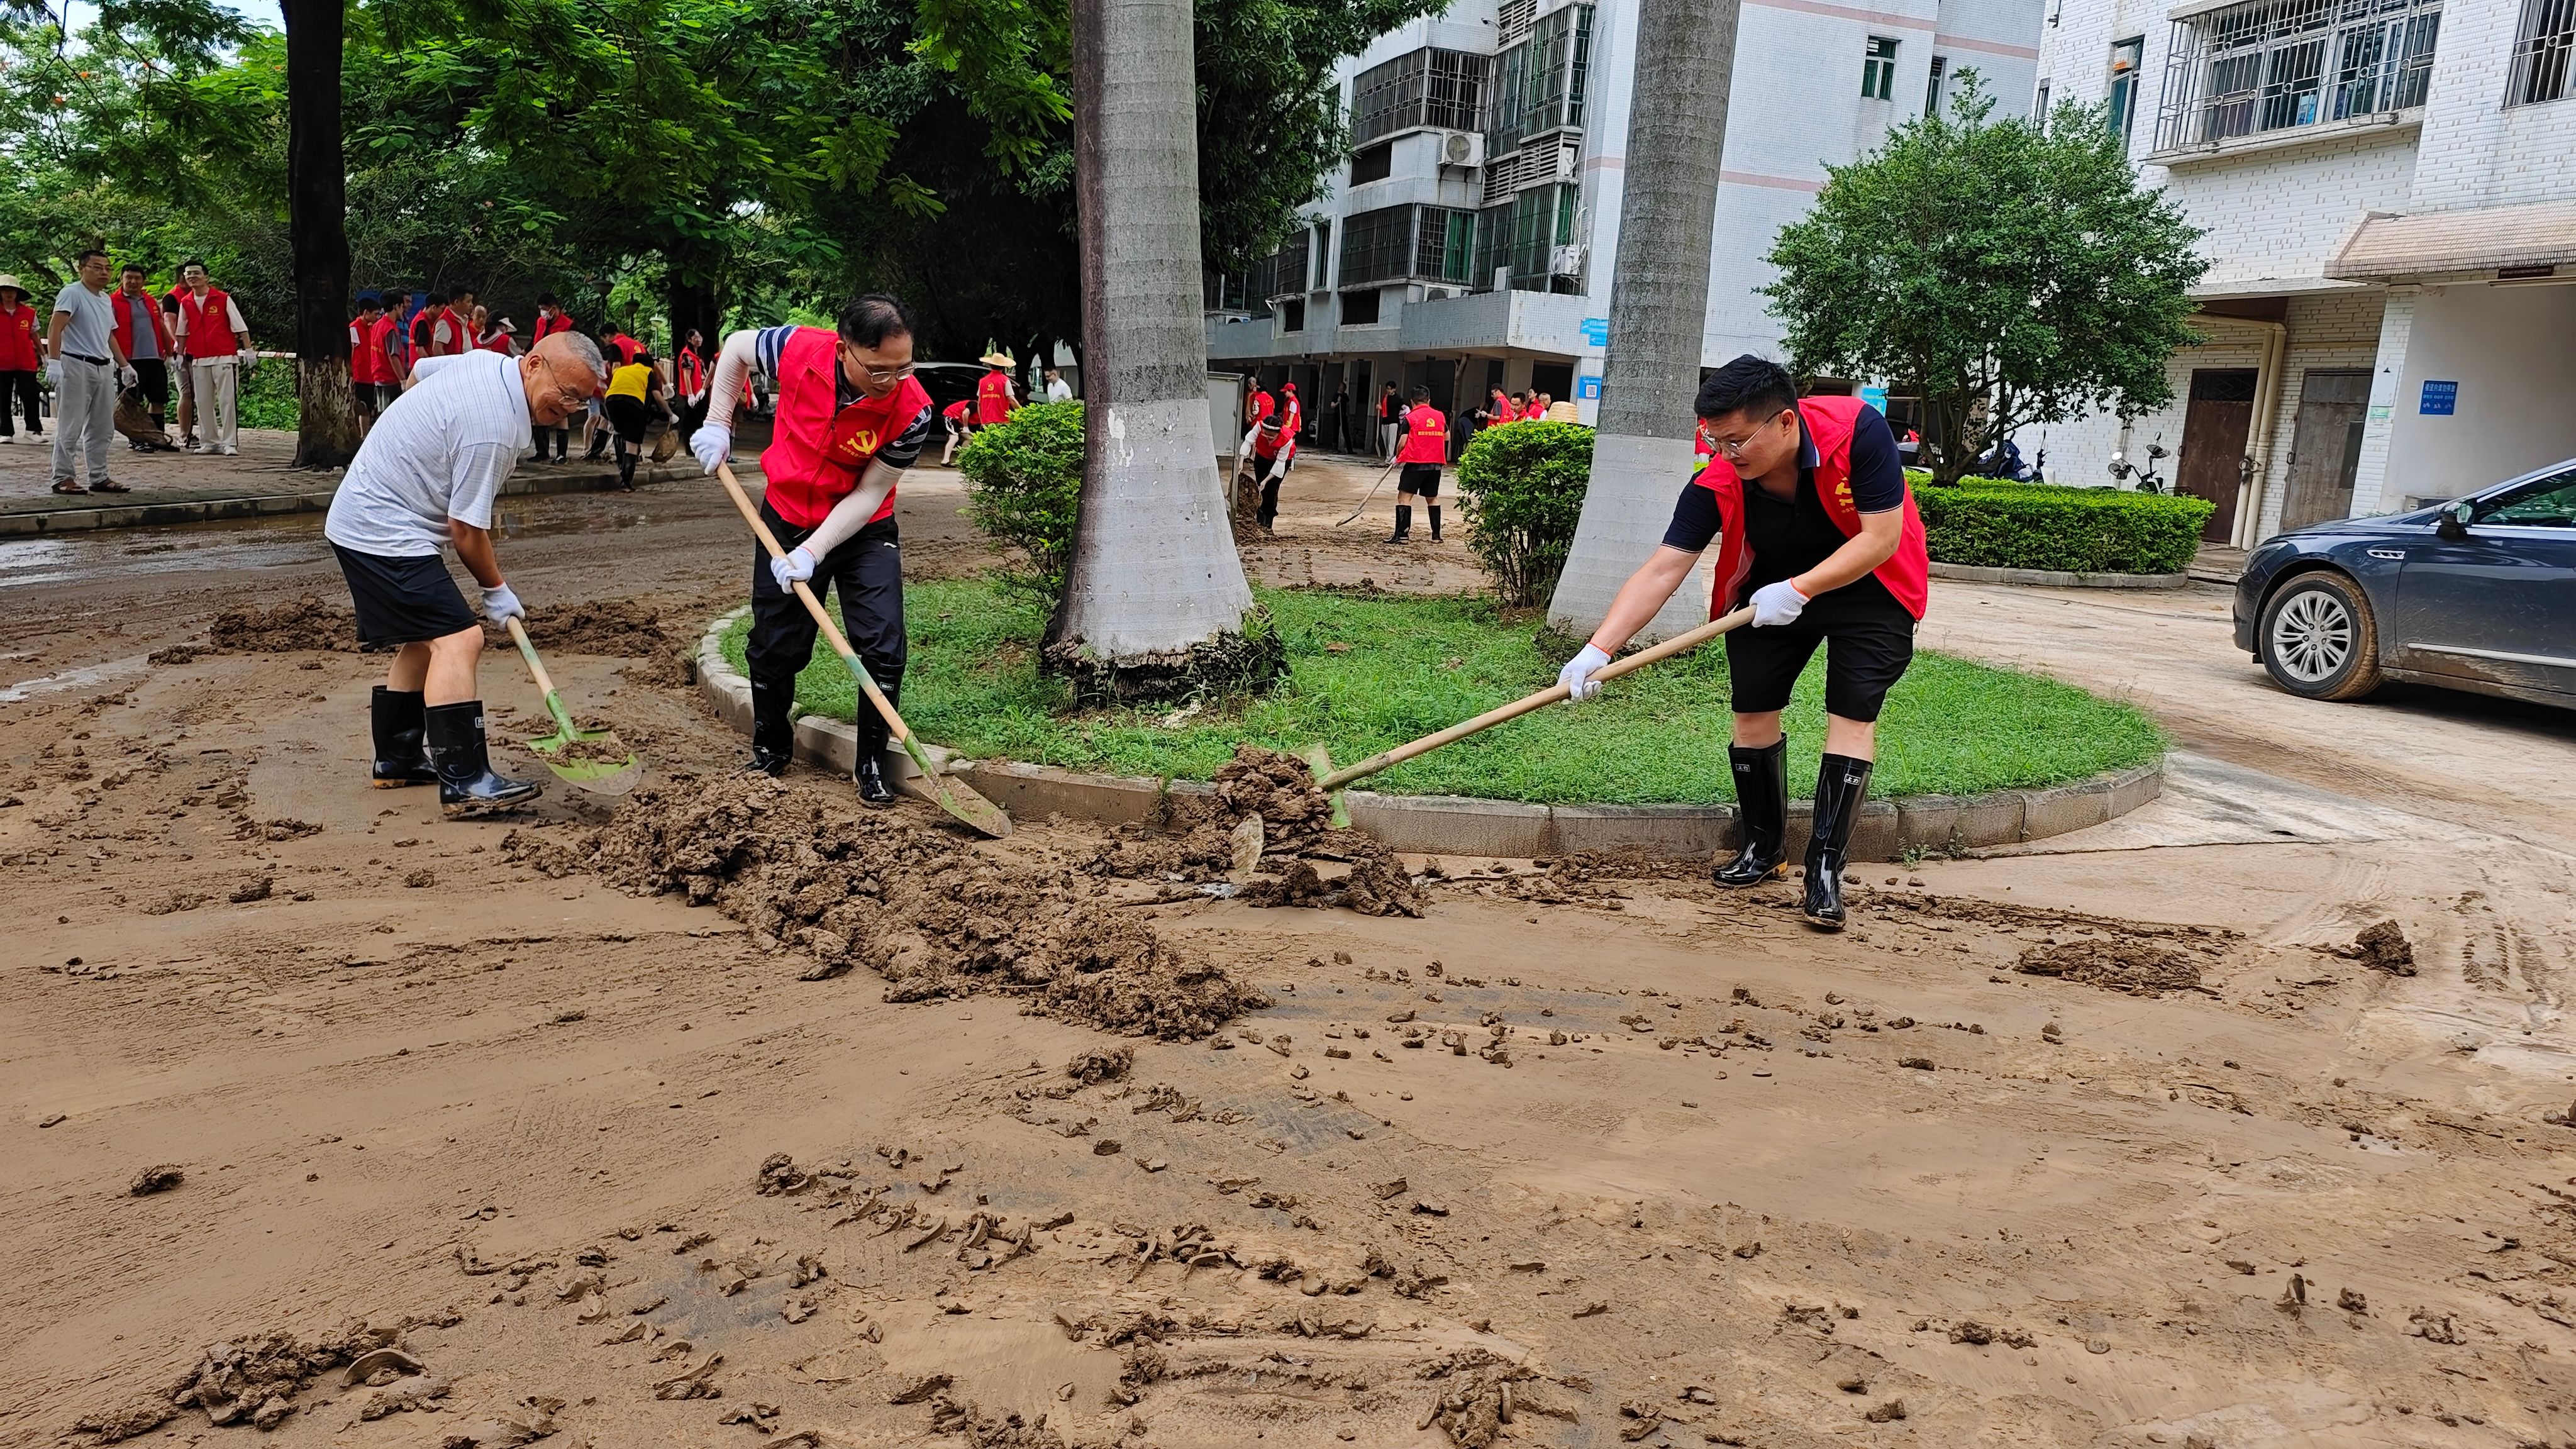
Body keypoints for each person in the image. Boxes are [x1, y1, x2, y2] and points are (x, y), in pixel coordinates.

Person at [1555, 356, 1928, 930]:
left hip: (1870, 586)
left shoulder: (1857, 431)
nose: (1725, 454)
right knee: (1753, 708)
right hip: (1768, 593)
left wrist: (1801, 589)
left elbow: (1881, 538)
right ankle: (1764, 847)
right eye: (1714, 440)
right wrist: (1598, 650)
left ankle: (1824, 869)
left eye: (1736, 440)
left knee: (1851, 713)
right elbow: (1664, 567)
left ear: (1785, 421)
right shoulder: (1719, 480)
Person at [323, 329, 606, 817]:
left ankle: (397, 759)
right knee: (460, 639)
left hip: (372, 518)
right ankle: (465, 779)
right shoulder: (491, 428)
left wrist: (415, 438)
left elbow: (419, 374)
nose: (568, 409)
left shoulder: (485, 364)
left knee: (424, 639)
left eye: (580, 401)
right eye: (565, 394)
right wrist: (496, 590)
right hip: (381, 529)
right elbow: (467, 529)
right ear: (533, 364)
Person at [689, 294, 935, 805]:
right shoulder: (797, 348)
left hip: (864, 528)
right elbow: (736, 348)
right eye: (879, 369)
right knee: (776, 645)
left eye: (904, 367)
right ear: (844, 350)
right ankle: (770, 747)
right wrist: (717, 421)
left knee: (884, 646)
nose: (893, 380)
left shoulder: (914, 412)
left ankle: (871, 763)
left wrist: (814, 552)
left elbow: (870, 493)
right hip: (786, 517)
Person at [43, 250, 131, 494]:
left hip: (103, 365)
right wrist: (54, 362)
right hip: (76, 363)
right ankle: (63, 477)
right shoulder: (72, 293)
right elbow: (55, 327)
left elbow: (109, 335)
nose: (104, 272)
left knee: (103, 426)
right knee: (70, 424)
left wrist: (124, 365)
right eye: (97, 267)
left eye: (107, 268)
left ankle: (99, 476)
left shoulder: (105, 299)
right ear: (82, 268)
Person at [171, 260, 253, 456]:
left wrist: (248, 350)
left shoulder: (222, 298)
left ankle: (230, 442)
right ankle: (209, 441)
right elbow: (182, 331)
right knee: (202, 401)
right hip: (199, 358)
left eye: (196, 273)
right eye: (188, 274)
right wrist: (180, 355)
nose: (192, 276)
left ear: (206, 277)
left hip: (224, 356)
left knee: (227, 401)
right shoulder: (186, 302)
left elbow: (240, 327)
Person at [109, 264, 176, 450]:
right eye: (129, 278)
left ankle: (157, 438)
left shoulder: (150, 301)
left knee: (158, 399)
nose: (133, 282)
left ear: (143, 281)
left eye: (137, 278)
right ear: (122, 279)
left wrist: (170, 354)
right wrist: (117, 360)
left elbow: (161, 327)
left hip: (154, 357)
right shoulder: (112, 302)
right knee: (132, 401)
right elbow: (108, 332)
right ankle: (136, 439)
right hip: (129, 360)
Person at [601, 347, 674, 489]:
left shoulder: (621, 370)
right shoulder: (648, 372)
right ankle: (626, 482)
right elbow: (657, 397)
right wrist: (670, 413)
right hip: (633, 403)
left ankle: (621, 467)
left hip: (611, 402)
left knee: (618, 432)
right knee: (632, 443)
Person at [1389, 384, 1446, 543]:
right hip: (1435, 465)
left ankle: (1402, 535)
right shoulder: (1440, 416)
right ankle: (1436, 536)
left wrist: (1397, 457)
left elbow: (1403, 442)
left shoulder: (1410, 418)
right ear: (1429, 400)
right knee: (1432, 498)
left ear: (1412, 402)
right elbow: (1447, 436)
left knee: (1404, 497)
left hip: (1416, 463)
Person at [1238, 384, 1299, 531]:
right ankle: (1259, 521)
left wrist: (1266, 481)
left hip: (1281, 461)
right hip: (1262, 457)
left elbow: (1280, 464)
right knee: (1259, 488)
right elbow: (1248, 442)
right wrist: (1241, 462)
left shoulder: (1287, 439)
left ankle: (1268, 522)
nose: (1268, 439)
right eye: (1266, 435)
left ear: (1279, 433)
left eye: (1272, 437)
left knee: (1271, 489)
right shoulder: (1259, 427)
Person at [348, 293, 397, 440]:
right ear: (366, 313)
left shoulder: (372, 328)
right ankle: (359, 436)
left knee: (369, 408)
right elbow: (351, 352)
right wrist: (350, 374)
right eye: (375, 314)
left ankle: (365, 436)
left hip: (372, 376)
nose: (377, 317)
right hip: (359, 376)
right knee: (360, 407)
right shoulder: (354, 328)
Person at [532, 297, 577, 459]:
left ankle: (561, 454)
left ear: (554, 308)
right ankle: (542, 452)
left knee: (561, 411)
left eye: (545, 308)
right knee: (538, 408)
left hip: (560, 372)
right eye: (541, 308)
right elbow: (534, 341)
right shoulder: (541, 322)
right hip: (540, 371)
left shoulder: (569, 326)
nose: (543, 312)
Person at [0, 275, 42, 445]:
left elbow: (35, 335)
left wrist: (44, 355)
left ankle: (33, 430)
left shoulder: (29, 313)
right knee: (2, 397)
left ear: (18, 293)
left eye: (12, 290)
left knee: (30, 395)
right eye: (5, 290)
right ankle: (5, 432)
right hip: (2, 362)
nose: (9, 293)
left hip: (26, 361)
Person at [975, 350, 1016, 426]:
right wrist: (1023, 413)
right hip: (1002, 422)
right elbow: (1012, 400)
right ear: (1003, 367)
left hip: (986, 422)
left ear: (991, 365)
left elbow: (980, 404)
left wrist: (982, 422)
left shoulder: (982, 381)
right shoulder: (1005, 380)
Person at [938, 397, 972, 466]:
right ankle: (945, 460)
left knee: (971, 438)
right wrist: (966, 427)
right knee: (954, 437)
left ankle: (962, 460)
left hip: (959, 422)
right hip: (950, 416)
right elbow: (965, 413)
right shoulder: (974, 404)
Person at [1376, 382, 1400, 462]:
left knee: (1391, 442)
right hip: (1385, 422)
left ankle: (1388, 459)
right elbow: (1382, 407)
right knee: (1386, 441)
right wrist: (1379, 406)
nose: (1389, 391)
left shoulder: (1398, 399)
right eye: (1388, 389)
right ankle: (1390, 455)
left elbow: (1403, 408)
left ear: (1394, 389)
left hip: (1394, 422)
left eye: (1391, 389)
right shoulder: (1385, 398)